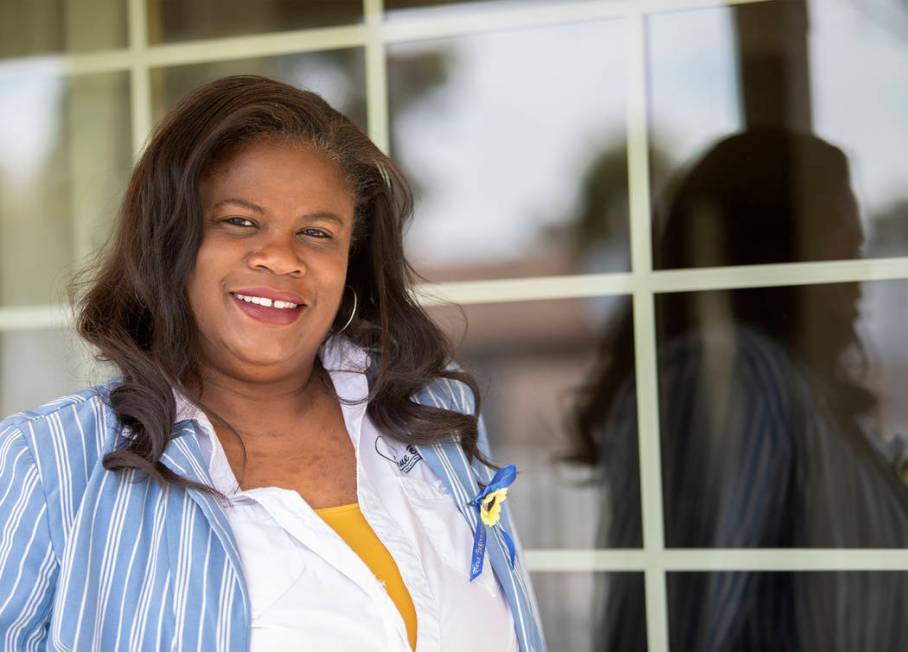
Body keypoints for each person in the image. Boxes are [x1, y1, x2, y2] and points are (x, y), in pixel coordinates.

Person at [0, 75, 544, 652]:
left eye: (316, 232)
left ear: (349, 262)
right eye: (240, 221)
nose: (282, 258)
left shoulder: (434, 417)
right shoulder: (47, 467)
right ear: (172, 241)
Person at [568, 128, 908, 651]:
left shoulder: (803, 403)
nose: (860, 245)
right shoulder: (729, 377)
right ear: (777, 238)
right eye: (840, 218)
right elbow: (675, 631)